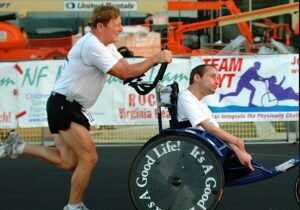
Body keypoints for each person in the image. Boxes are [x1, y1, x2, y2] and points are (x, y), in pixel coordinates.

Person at [0, 5, 172, 210]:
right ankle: (73, 206)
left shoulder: (106, 46)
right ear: (101, 26)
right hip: (65, 105)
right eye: (116, 25)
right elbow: (124, 73)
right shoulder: (92, 45)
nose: (120, 29)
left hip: (64, 105)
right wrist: (155, 58)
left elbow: (127, 69)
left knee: (68, 161)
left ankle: (18, 146)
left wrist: (141, 73)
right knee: (89, 157)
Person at [177, 64, 254, 170]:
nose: (217, 81)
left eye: (218, 78)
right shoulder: (185, 97)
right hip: (193, 153)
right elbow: (209, 129)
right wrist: (238, 142)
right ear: (197, 78)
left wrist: (238, 151)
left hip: (204, 149)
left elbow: (217, 133)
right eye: (212, 76)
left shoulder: (203, 106)